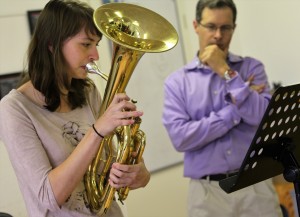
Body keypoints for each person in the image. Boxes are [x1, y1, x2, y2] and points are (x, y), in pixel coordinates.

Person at [0, 0, 150, 216]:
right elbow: (50, 197)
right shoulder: (14, 109)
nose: (95, 56)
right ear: (52, 44)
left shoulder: (89, 91)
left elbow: (109, 166)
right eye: (86, 44)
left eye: (96, 45)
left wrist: (138, 174)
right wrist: (98, 131)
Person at [162, 0, 282, 216]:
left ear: (233, 28)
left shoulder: (251, 67)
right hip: (206, 194)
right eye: (211, 26)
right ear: (196, 26)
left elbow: (264, 119)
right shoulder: (177, 82)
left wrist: (226, 72)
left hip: (255, 186)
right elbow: (181, 138)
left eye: (225, 27)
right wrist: (236, 109)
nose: (218, 35)